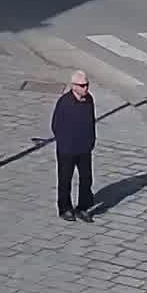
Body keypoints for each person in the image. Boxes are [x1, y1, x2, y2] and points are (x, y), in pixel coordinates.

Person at [51, 70, 96, 221]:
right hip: (67, 150)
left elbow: (91, 122)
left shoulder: (89, 100)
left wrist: (91, 141)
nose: (86, 89)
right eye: (82, 86)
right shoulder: (64, 102)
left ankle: (83, 207)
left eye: (87, 85)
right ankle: (65, 208)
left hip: (84, 149)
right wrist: (64, 143)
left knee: (86, 179)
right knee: (65, 180)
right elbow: (56, 125)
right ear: (74, 86)